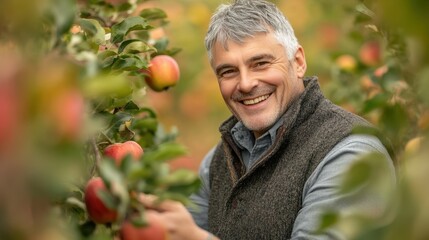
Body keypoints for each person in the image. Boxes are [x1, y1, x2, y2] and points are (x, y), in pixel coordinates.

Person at [141, 0, 396, 239]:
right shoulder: (219, 161)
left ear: (297, 62)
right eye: (228, 71)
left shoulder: (352, 152)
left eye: (260, 63)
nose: (246, 83)